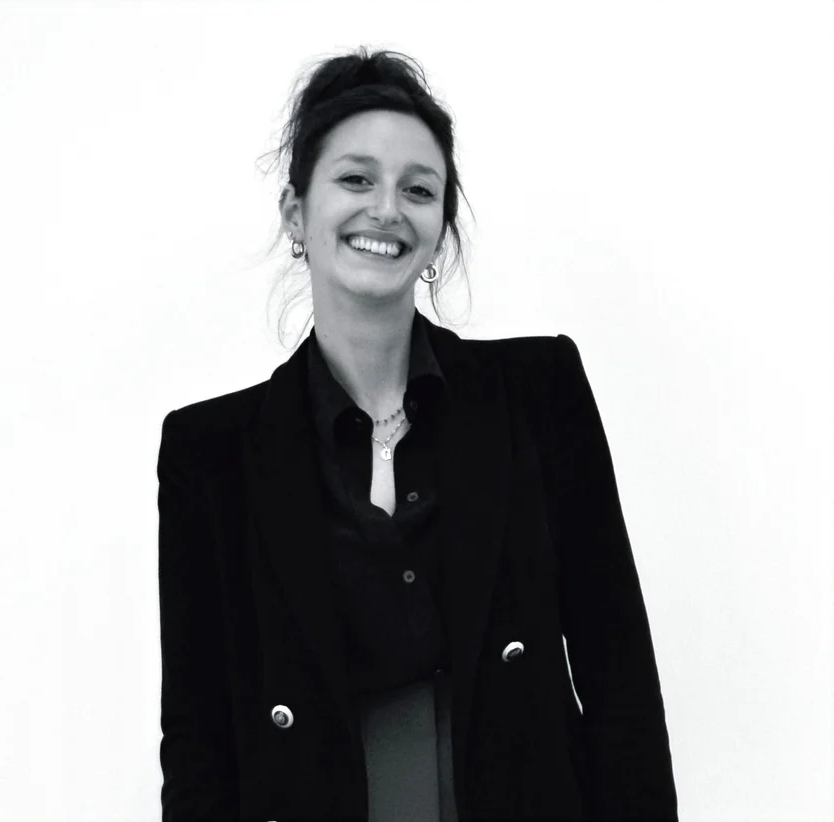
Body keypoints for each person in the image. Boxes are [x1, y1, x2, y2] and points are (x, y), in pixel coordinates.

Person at [156, 47, 678, 822]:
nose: (387, 209)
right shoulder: (210, 452)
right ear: (296, 213)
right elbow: (200, 741)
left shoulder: (538, 392)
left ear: (439, 226)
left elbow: (618, 675)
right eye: (355, 179)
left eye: (419, 189)